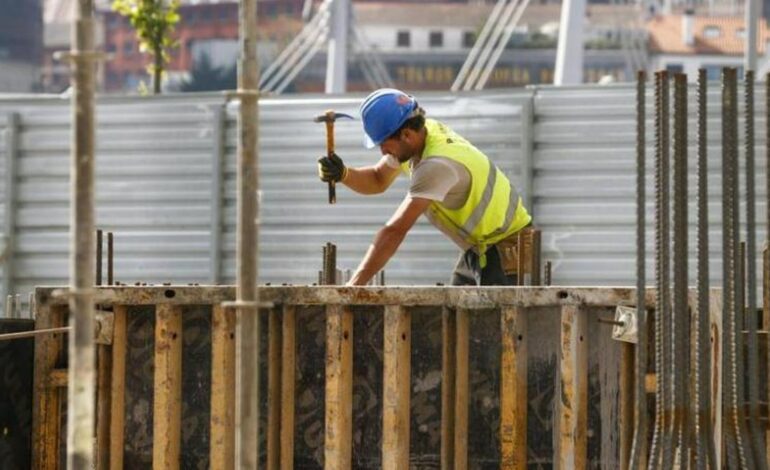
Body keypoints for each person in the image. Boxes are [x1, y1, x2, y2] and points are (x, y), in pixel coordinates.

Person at [318, 88, 532, 286]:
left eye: (384, 143)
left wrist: (352, 288)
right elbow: (377, 179)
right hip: (481, 248)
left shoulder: (436, 165)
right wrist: (343, 174)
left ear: (407, 135)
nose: (383, 152)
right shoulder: (421, 134)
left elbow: (394, 231)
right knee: (454, 317)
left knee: (492, 325)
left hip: (510, 250)